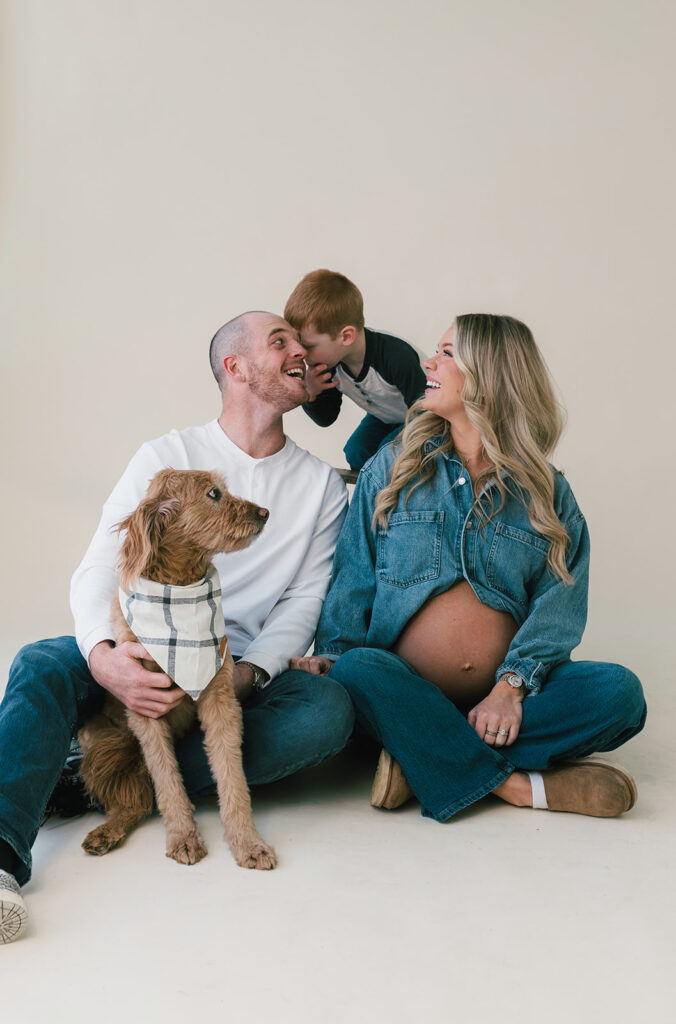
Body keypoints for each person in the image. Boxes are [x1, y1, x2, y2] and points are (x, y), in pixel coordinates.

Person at [0, 311, 355, 944]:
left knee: (326, 712)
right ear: (235, 367)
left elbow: (304, 601)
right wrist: (105, 656)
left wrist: (250, 673)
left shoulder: (321, 485)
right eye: (282, 343)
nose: (302, 352)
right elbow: (100, 567)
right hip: (136, 652)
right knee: (40, 663)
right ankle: (1, 856)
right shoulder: (167, 457)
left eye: (301, 343)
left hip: (226, 669)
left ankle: (88, 780)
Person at [293, 314, 646, 822]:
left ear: (490, 373)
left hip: (506, 703)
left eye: (448, 353)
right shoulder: (392, 468)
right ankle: (517, 788)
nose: (428, 363)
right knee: (356, 671)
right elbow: (354, 577)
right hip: (399, 685)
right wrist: (331, 655)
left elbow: (559, 607)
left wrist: (510, 689)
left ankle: (420, 754)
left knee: (619, 693)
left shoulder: (547, 492)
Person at [284, 269, 426, 471]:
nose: (300, 352)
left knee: (389, 454)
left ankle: (400, 495)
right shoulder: (329, 364)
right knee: (357, 451)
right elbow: (326, 419)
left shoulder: (395, 356)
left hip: (427, 416)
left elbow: (426, 412)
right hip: (387, 417)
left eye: (308, 346)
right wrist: (311, 394)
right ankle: (375, 496)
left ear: (346, 336)